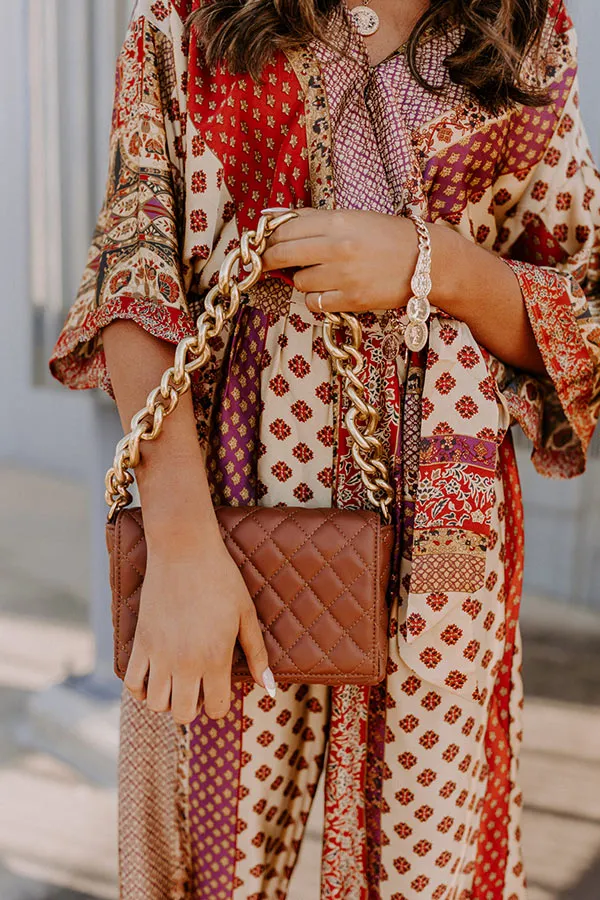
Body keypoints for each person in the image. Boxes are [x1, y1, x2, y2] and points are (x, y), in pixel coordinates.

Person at [49, 0, 600, 896]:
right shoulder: (187, 18)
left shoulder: (524, 27)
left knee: (431, 866)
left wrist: (438, 265)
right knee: (205, 857)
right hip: (229, 499)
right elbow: (134, 278)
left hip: (447, 536)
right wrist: (181, 548)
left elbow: (585, 307)